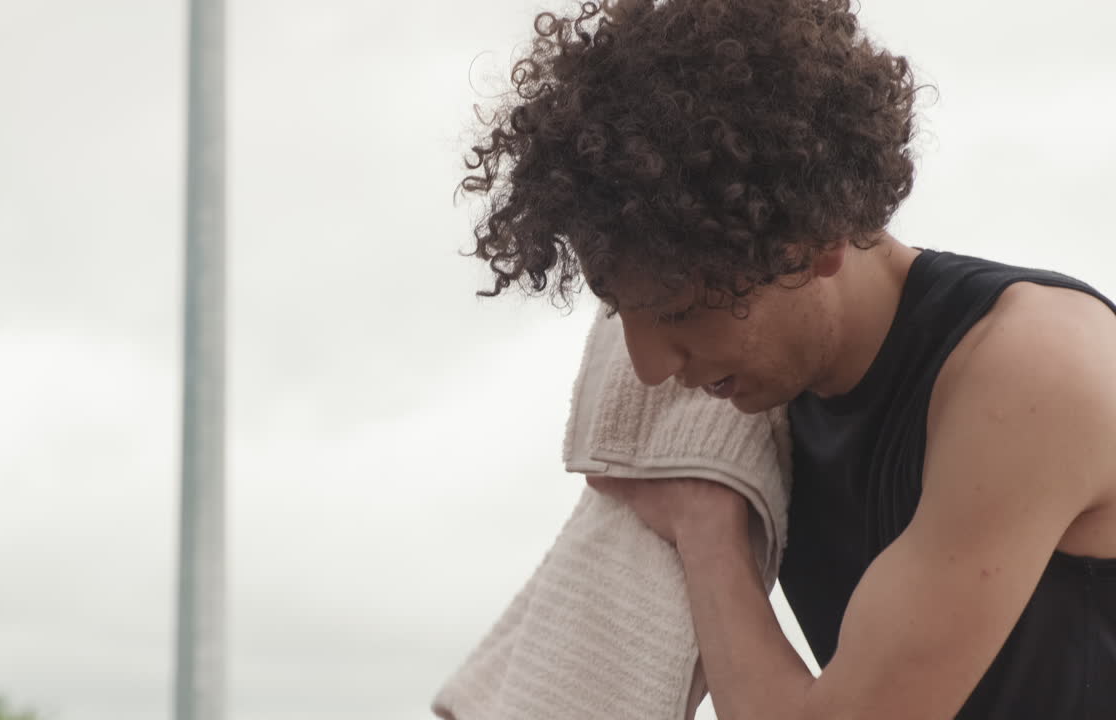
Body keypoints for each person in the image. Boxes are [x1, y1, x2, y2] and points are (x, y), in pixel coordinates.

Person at [456, 1, 1116, 718]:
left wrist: (707, 527)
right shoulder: (766, 402)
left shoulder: (1034, 367)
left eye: (679, 310)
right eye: (620, 310)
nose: (648, 368)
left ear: (815, 238)